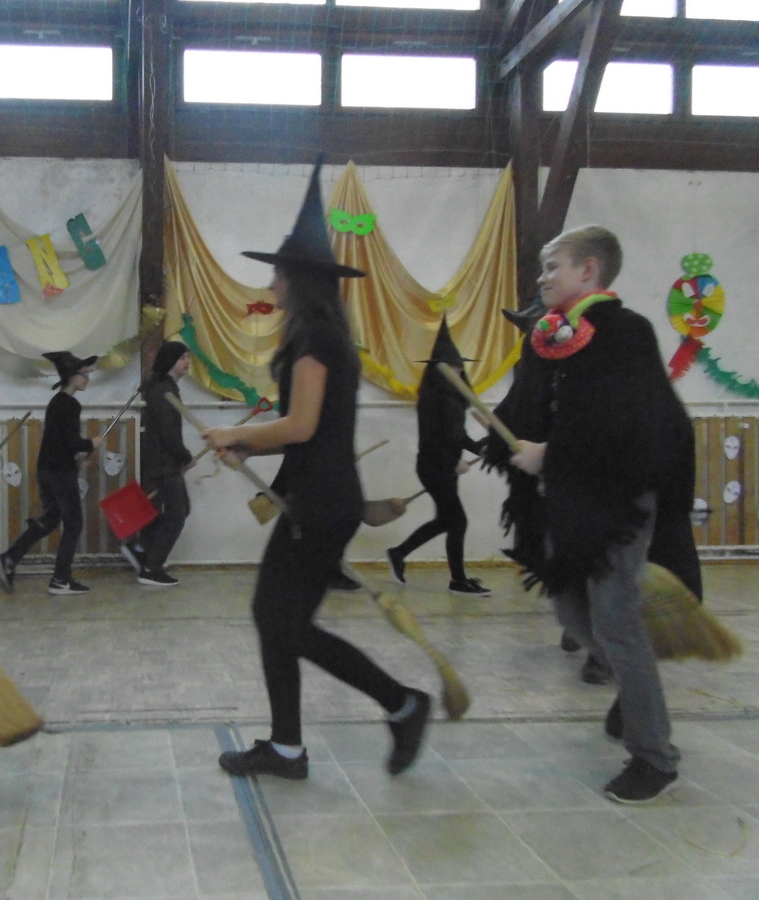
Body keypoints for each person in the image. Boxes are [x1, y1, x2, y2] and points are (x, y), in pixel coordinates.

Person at [203, 158, 431, 781]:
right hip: (319, 498)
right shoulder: (321, 336)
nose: (272, 283)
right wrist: (251, 449)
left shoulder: (315, 341)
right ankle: (286, 749)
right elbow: (311, 431)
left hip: (323, 504)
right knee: (276, 620)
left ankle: (402, 703)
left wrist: (237, 434)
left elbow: (300, 427)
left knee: (281, 622)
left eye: (278, 273)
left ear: (297, 279)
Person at [509, 224, 696, 803]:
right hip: (572, 502)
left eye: (553, 266)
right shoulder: (554, 335)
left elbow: (626, 421)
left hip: (619, 502)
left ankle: (654, 756)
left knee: (617, 623)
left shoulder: (625, 331)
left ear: (589, 270)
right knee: (571, 611)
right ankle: (634, 687)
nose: (543, 277)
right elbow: (547, 405)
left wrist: (548, 453)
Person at [485, 298, 612, 685]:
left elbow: (589, 424)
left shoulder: (581, 365)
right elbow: (516, 406)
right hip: (541, 488)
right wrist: (497, 433)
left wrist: (555, 457)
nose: (533, 336)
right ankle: (580, 628)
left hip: (583, 484)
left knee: (591, 564)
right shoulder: (532, 365)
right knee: (557, 561)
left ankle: (600, 651)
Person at [385, 318, 489, 596]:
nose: (457, 369)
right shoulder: (437, 398)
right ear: (437, 369)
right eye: (450, 366)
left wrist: (478, 449)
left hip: (440, 467)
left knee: (446, 520)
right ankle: (457, 580)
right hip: (435, 467)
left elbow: (457, 435)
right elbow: (436, 438)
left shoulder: (451, 397)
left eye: (458, 365)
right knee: (458, 521)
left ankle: (399, 553)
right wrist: (454, 462)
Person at [0, 351, 102, 596]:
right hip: (60, 473)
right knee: (74, 523)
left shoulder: (56, 402)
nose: (87, 378)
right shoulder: (70, 404)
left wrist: (77, 458)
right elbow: (69, 441)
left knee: (51, 520)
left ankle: (9, 558)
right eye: (84, 374)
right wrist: (89, 444)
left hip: (48, 470)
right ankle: (60, 579)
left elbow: (58, 441)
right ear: (71, 376)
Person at [128, 340, 195, 587]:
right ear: (171, 362)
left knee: (179, 510)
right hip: (164, 463)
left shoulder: (165, 388)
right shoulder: (164, 391)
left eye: (188, 357)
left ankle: (141, 549)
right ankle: (151, 568)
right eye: (183, 358)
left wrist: (182, 457)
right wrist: (184, 456)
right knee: (177, 515)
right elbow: (169, 433)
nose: (188, 362)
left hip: (164, 463)